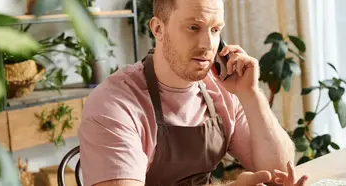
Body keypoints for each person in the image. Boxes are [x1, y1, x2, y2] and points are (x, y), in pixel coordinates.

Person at [78, 0, 308, 185]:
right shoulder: (114, 104)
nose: (208, 44)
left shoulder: (223, 90)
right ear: (158, 28)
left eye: (215, 29)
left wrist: (251, 95)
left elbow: (279, 172)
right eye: (193, 27)